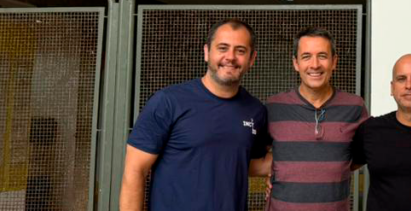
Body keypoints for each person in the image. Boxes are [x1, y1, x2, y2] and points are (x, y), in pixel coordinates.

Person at [120, 19, 270, 211]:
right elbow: (135, 171)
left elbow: (244, 162)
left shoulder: (255, 110)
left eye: (240, 51)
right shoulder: (168, 101)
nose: (230, 57)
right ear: (207, 52)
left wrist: (282, 175)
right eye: (222, 48)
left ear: (251, 59)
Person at [265, 27, 368, 211]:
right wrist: (277, 172)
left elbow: (358, 158)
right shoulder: (273, 107)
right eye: (306, 57)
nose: (314, 65)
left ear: (334, 61)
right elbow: (256, 157)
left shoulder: (355, 107)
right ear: (295, 63)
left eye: (322, 56)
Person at [351, 54, 411, 211]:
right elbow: (339, 168)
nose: (409, 85)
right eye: (401, 79)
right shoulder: (370, 130)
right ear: (392, 88)